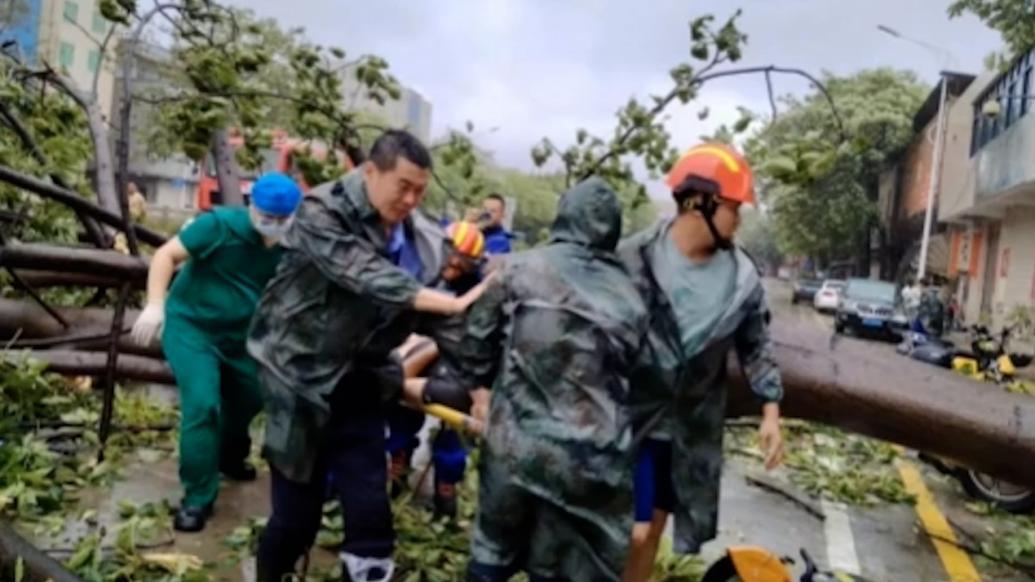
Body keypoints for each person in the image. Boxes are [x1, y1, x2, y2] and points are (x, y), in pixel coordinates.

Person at [248, 130, 488, 582]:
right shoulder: (322, 212)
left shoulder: (422, 240)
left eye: (421, 190)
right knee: (296, 518)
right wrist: (450, 302)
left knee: (370, 515)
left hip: (362, 375)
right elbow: (364, 274)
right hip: (298, 379)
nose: (412, 200)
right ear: (370, 172)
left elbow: (444, 325)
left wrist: (482, 389)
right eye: (404, 186)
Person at [423, 177, 649, 581]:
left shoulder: (516, 269)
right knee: (557, 561)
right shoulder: (634, 295)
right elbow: (645, 378)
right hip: (589, 462)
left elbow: (474, 343)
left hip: (516, 447)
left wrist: (481, 393)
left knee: (493, 548)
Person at [617, 143, 785, 580]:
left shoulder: (741, 279)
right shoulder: (635, 257)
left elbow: (756, 345)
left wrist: (771, 412)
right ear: (700, 204)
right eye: (733, 207)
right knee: (630, 529)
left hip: (689, 429)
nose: (739, 218)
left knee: (653, 528)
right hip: (632, 416)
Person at [129, 172, 303, 533]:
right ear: (252, 206)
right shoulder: (219, 226)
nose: (273, 225)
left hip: (243, 335)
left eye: (282, 219)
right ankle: (197, 497)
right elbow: (166, 255)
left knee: (252, 397)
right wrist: (155, 304)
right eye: (267, 216)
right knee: (204, 404)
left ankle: (228, 456)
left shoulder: (292, 242)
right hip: (193, 328)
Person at [386, 220, 487, 518]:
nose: (456, 264)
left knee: (455, 428)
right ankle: (399, 459)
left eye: (465, 262)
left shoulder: (475, 296)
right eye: (453, 256)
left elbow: (473, 348)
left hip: (455, 365)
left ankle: (446, 483)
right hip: (416, 352)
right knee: (399, 407)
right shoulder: (419, 272)